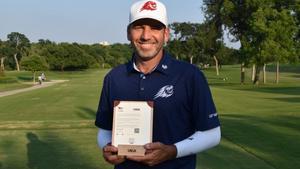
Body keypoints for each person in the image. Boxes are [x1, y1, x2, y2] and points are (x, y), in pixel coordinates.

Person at [95, 0, 221, 169]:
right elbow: (104, 130)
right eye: (139, 27)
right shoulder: (114, 77)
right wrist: (107, 147)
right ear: (128, 33)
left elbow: (212, 134)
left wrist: (172, 151)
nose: (146, 35)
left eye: (155, 27)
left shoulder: (190, 75)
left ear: (166, 34)